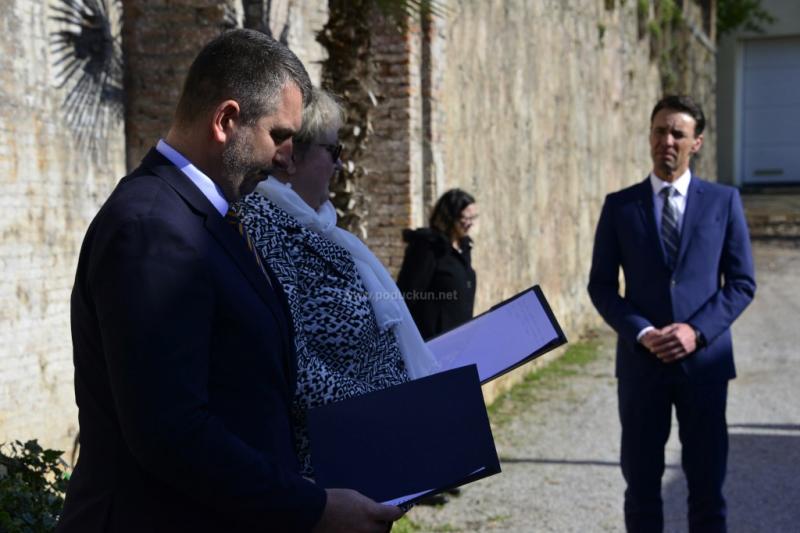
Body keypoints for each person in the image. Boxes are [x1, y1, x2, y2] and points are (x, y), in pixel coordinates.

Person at [59, 29, 401, 533]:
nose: (287, 157)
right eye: (279, 136)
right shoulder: (152, 227)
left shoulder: (211, 218)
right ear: (225, 121)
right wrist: (314, 510)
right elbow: (172, 433)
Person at [237, 88, 439, 477]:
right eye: (334, 150)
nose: (341, 164)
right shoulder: (262, 227)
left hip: (370, 450)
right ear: (290, 155)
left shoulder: (320, 228)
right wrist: (384, 412)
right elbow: (291, 363)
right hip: (326, 466)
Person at [588, 95, 756, 533]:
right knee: (641, 488)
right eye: (660, 131)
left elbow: (742, 283)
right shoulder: (620, 206)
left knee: (707, 488)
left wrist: (696, 331)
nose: (667, 140)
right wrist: (642, 332)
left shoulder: (723, 202)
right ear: (649, 136)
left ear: (695, 143)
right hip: (642, 367)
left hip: (704, 366)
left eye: (678, 133)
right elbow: (601, 285)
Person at [397, 189, 478, 341]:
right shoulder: (428, 246)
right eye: (465, 218)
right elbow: (407, 295)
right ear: (450, 216)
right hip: (431, 342)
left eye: (473, 217)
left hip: (459, 341)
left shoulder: (464, 248)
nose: (470, 223)